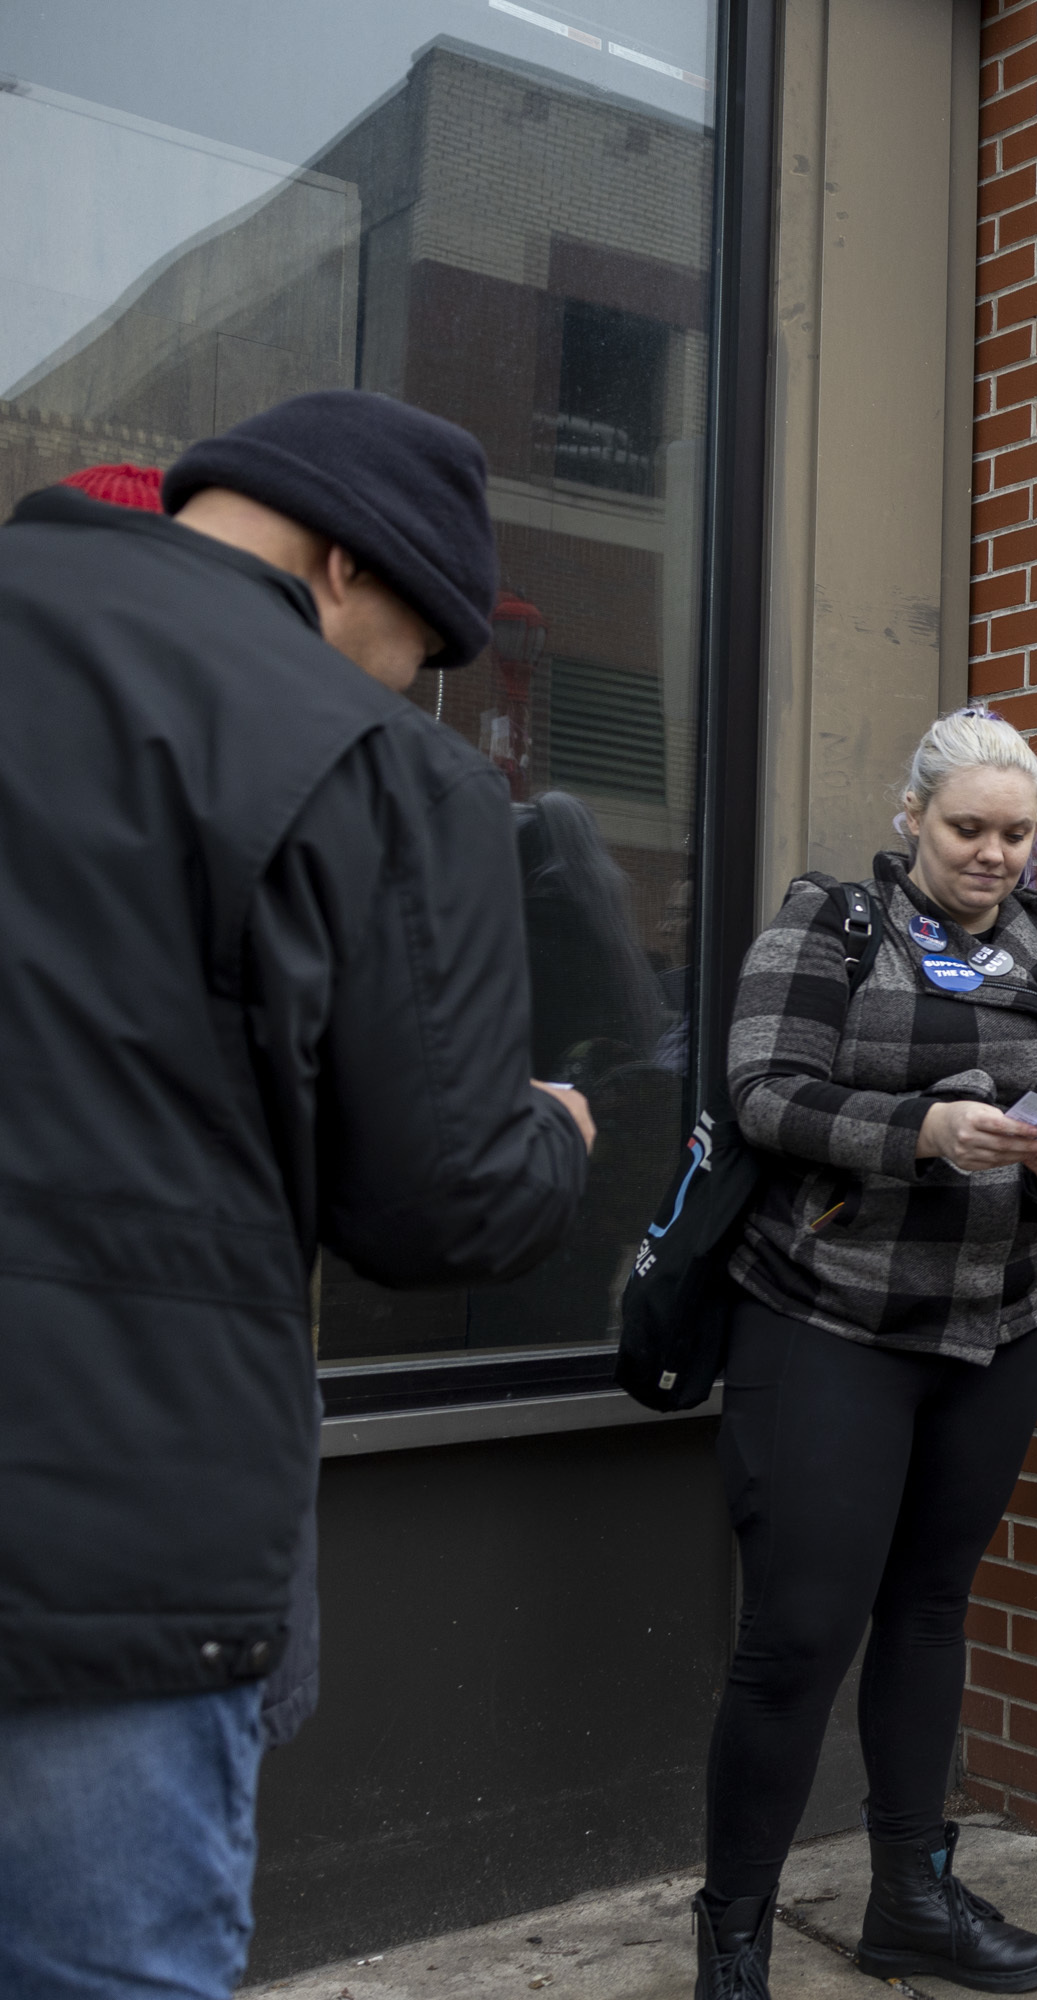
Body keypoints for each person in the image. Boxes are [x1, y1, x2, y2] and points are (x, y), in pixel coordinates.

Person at [0, 391, 596, 1999]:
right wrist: (561, 1132)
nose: (423, 687)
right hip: (112, 1544)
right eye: (425, 643)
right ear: (343, 563)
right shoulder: (368, 757)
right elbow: (445, 1208)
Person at [696, 707, 1037, 1997]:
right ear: (913, 819)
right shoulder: (832, 924)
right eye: (968, 828)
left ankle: (910, 1899)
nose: (995, 854)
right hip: (827, 1318)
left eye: (1016, 832)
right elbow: (763, 1090)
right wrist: (923, 1133)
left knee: (933, 1611)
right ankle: (734, 1930)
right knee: (798, 1634)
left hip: (993, 1327)